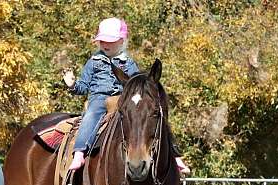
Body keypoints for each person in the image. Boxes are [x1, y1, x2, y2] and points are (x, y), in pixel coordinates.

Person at [64, 17, 190, 175]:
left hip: (122, 99)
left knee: (151, 117)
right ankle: (79, 152)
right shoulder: (93, 62)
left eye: (110, 41)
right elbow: (83, 87)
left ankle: (175, 156)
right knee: (90, 116)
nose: (105, 44)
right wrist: (72, 85)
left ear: (121, 41)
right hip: (99, 99)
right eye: (102, 41)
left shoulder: (128, 63)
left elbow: (136, 86)